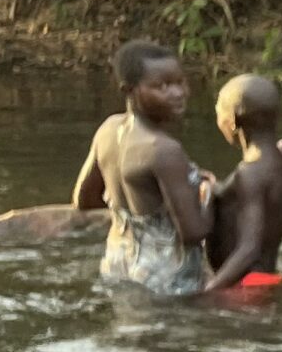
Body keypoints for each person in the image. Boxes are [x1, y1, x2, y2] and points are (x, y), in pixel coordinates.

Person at [71, 40, 209, 296]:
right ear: (129, 90)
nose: (177, 92)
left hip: (117, 265)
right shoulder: (164, 149)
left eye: (180, 82)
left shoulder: (108, 130)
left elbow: (84, 200)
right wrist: (210, 193)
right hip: (168, 278)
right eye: (162, 86)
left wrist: (133, 208)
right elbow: (192, 233)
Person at [200, 75, 282, 293]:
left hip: (244, 287)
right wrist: (217, 189)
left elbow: (249, 249)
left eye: (219, 112)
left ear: (233, 121)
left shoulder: (250, 173)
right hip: (265, 278)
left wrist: (208, 291)